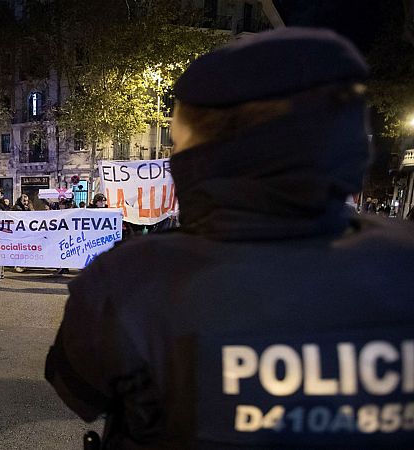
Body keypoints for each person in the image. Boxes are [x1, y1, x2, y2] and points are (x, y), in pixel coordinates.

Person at [45, 28, 414, 449]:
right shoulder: (404, 264)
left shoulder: (129, 281)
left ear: (199, 152)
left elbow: (79, 391)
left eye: (175, 137)